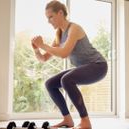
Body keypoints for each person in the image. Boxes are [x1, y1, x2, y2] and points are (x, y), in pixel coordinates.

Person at [31, 0, 107, 129]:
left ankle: (85, 122)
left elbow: (64, 53)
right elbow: (44, 58)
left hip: (98, 66)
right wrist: (36, 49)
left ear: (60, 13)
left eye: (51, 17)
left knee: (67, 79)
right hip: (84, 67)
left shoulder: (74, 28)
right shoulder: (59, 34)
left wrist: (43, 44)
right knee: (50, 84)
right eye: (47, 18)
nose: (49, 21)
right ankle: (67, 120)